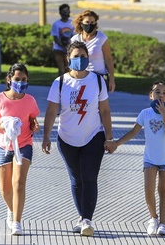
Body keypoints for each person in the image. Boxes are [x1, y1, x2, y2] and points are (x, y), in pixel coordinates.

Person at [42, 41, 114, 237]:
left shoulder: (98, 81)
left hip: (93, 136)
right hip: (67, 139)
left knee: (89, 177)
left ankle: (87, 220)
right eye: (76, 56)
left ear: (88, 59)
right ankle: (82, 216)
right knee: (76, 179)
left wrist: (109, 137)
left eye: (83, 56)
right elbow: (51, 112)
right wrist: (46, 136)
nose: (80, 60)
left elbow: (105, 110)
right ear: (68, 59)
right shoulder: (60, 83)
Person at [106, 80, 165, 236]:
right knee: (148, 189)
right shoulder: (145, 113)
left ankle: (163, 224)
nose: (161, 95)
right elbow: (133, 132)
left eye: (164, 93)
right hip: (150, 158)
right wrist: (116, 143)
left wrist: (164, 114)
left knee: (163, 190)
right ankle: (153, 218)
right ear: (151, 96)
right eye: (157, 92)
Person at [0, 63, 40, 236]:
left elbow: (32, 119)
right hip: (3, 145)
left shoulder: (30, 100)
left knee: (19, 183)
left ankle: (17, 221)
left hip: (23, 145)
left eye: (24, 79)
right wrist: (1, 127)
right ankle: (11, 209)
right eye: (17, 79)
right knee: (5, 189)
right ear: (9, 80)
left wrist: (34, 125)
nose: (20, 82)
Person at [70, 10, 116, 93]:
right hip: (81, 77)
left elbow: (108, 59)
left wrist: (112, 79)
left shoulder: (101, 38)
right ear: (81, 23)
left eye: (92, 22)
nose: (90, 25)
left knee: (99, 103)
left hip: (99, 77)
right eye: (87, 22)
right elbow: (71, 60)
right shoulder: (75, 40)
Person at [51, 4, 74, 76]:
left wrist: (69, 47)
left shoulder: (72, 23)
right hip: (58, 49)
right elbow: (55, 37)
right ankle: (60, 84)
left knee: (68, 69)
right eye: (63, 11)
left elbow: (73, 36)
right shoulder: (56, 24)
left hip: (69, 49)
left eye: (67, 11)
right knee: (61, 70)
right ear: (60, 12)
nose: (65, 13)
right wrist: (63, 47)